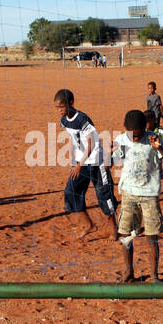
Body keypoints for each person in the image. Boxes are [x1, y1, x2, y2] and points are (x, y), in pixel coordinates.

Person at [112, 109, 163, 282]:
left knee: (151, 236)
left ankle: (154, 276)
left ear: (145, 129)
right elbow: (113, 161)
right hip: (129, 193)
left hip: (149, 194)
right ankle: (128, 271)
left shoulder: (153, 139)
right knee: (125, 235)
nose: (134, 139)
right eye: (131, 135)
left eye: (137, 136)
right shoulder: (122, 140)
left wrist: (159, 147)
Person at [53, 88, 117, 238]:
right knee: (71, 192)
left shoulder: (83, 119)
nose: (60, 110)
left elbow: (91, 143)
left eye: (62, 106)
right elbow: (74, 141)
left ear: (71, 103)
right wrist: (74, 161)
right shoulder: (63, 121)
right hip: (80, 162)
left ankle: (114, 229)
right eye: (57, 107)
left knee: (104, 195)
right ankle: (88, 225)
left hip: (96, 162)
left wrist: (79, 164)